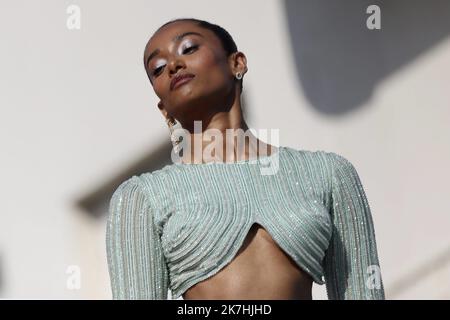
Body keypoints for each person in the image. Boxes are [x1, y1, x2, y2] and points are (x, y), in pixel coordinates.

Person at [105, 18, 385, 300]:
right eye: (158, 69)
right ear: (163, 107)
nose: (174, 66)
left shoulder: (328, 173)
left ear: (237, 63)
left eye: (188, 48)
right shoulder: (143, 197)